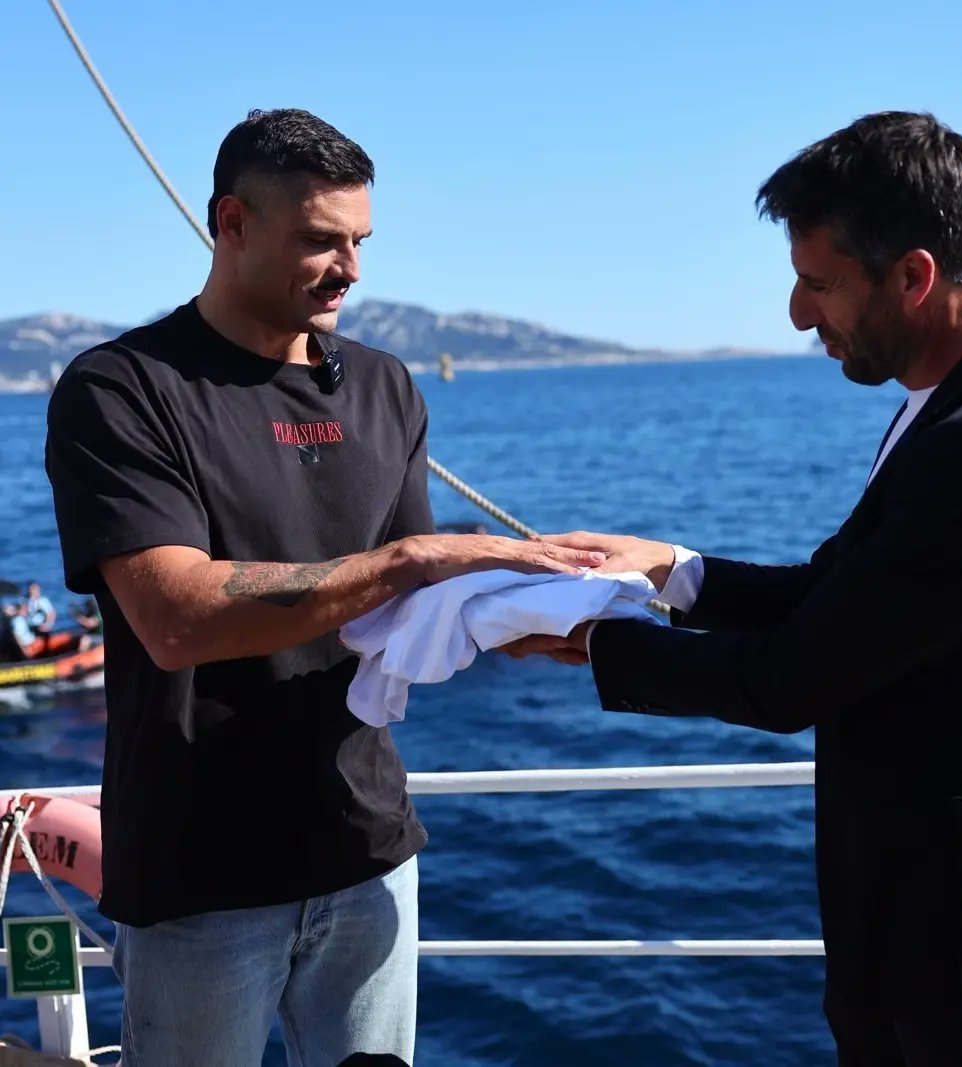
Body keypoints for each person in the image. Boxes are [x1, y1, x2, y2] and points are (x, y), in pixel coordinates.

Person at [44, 107, 602, 1067]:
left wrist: (540, 611)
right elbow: (176, 617)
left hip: (367, 852)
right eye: (318, 240)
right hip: (198, 873)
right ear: (231, 223)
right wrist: (415, 562)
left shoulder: (386, 387)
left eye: (359, 241)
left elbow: (414, 607)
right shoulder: (122, 390)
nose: (349, 267)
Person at [509, 111, 962, 1065]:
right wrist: (668, 570)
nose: (798, 314)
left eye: (817, 283)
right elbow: (837, 590)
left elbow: (791, 679)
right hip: (920, 934)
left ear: (913, 276)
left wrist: (592, 642)